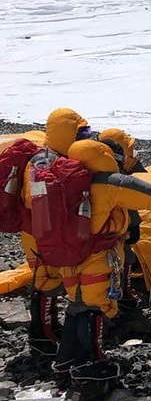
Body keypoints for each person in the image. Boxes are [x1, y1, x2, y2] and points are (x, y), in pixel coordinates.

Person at [52, 139, 151, 401]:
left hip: (69, 257)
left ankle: (64, 366)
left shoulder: (63, 181)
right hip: (97, 257)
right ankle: (93, 369)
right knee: (95, 308)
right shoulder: (108, 182)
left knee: (76, 306)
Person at [21, 108, 91, 358]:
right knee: (45, 281)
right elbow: (33, 199)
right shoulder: (43, 161)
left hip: (47, 230)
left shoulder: (57, 158)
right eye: (81, 132)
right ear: (66, 132)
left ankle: (49, 328)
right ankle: (41, 335)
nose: (85, 137)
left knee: (53, 279)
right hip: (38, 231)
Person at [97, 134, 147, 312]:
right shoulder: (117, 176)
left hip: (94, 231)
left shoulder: (90, 171)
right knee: (123, 258)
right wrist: (134, 225)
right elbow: (128, 203)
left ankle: (105, 302)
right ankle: (121, 297)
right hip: (115, 230)